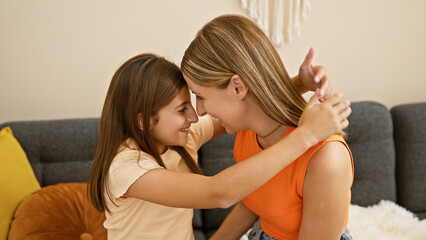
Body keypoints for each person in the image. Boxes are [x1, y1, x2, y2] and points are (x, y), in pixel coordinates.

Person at [87, 52, 350, 240]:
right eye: (182, 109)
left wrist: (298, 84)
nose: (194, 116)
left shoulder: (181, 137)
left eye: (194, 101)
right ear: (143, 122)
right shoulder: (127, 168)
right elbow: (219, 193)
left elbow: (240, 111)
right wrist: (306, 135)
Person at [181, 14, 354, 240]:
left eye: (200, 96)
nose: (200, 111)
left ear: (237, 87)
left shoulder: (327, 158)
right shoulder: (247, 128)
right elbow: (254, 202)